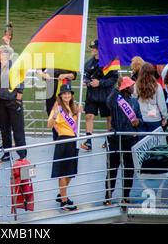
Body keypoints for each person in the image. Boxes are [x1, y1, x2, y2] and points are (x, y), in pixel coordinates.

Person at [104, 77, 142, 205]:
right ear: (126, 88)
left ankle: (126, 196)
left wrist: (138, 121)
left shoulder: (135, 102)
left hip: (130, 139)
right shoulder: (115, 100)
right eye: (131, 85)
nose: (133, 87)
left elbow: (140, 118)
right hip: (115, 139)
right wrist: (116, 87)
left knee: (129, 169)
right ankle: (108, 196)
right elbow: (108, 102)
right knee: (112, 168)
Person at [47, 83, 79, 211]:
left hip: (72, 140)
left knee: (70, 172)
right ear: (60, 96)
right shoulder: (58, 108)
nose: (67, 95)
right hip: (63, 141)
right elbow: (49, 125)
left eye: (69, 93)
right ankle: (64, 202)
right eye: (64, 93)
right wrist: (54, 116)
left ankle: (62, 194)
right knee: (63, 173)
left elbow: (75, 124)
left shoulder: (73, 107)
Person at [81, 39, 118, 151]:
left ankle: (109, 140)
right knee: (89, 116)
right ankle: (88, 141)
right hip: (92, 95)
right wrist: (86, 81)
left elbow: (114, 79)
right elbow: (85, 76)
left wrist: (100, 83)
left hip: (106, 95)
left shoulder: (110, 62)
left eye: (93, 47)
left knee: (109, 118)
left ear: (99, 49)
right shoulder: (88, 63)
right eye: (92, 47)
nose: (91, 49)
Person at [0, 45, 26, 162]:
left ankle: (22, 154)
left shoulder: (15, 67)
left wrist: (18, 101)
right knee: (4, 128)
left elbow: (21, 85)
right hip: (1, 101)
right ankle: (6, 153)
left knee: (18, 128)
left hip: (13, 101)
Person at [36, 68, 76, 141]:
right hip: (50, 92)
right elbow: (38, 70)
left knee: (66, 113)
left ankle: (65, 134)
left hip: (64, 91)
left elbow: (74, 75)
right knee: (51, 113)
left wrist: (65, 75)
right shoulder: (48, 57)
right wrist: (43, 74)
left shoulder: (68, 58)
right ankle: (56, 134)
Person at [135, 63, 168, 132]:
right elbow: (161, 103)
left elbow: (133, 101)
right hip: (154, 118)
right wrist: (165, 117)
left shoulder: (136, 86)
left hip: (141, 117)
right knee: (155, 141)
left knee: (142, 142)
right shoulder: (157, 86)